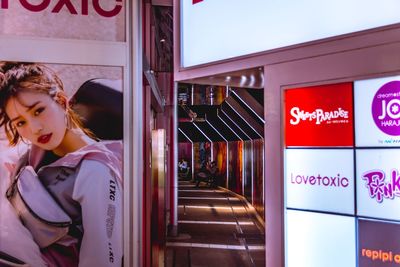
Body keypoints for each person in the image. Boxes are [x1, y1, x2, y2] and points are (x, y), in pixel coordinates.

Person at [0, 62, 123, 266]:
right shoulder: (32, 152)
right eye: (20, 122)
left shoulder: (96, 171)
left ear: (62, 102)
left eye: (38, 111)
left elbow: (101, 258)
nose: (35, 128)